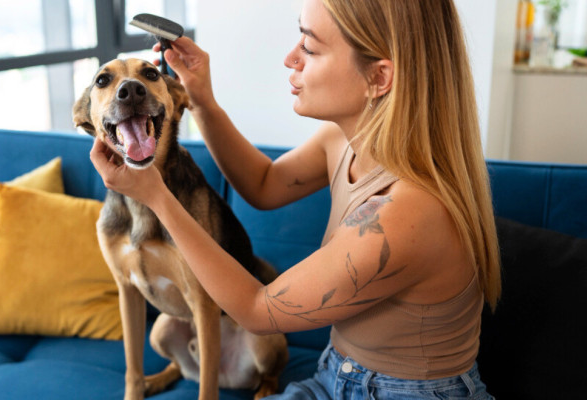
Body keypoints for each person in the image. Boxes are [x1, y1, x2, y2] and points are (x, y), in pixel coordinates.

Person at [90, 0, 500, 398]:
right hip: (333, 374)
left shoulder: (409, 212)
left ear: (378, 77)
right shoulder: (344, 141)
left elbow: (256, 309)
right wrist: (200, 99)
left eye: (309, 45)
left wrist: (157, 197)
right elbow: (265, 184)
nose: (290, 58)